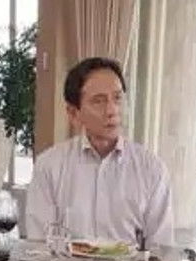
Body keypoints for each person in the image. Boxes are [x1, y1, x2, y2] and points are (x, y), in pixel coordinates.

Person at [25, 57, 176, 251]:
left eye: (117, 98)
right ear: (73, 113)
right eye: (99, 101)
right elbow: (39, 245)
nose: (112, 110)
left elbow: (161, 249)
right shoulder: (49, 166)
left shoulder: (151, 169)